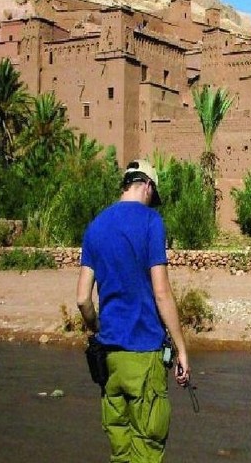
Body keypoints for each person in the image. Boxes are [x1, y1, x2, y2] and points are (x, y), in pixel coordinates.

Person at [76, 159, 190, 463]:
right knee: (147, 449)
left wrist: (98, 328)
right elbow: (162, 292)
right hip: (144, 356)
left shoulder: (95, 226)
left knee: (121, 451)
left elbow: (82, 299)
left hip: (109, 361)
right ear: (148, 187)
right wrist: (181, 349)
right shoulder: (151, 222)